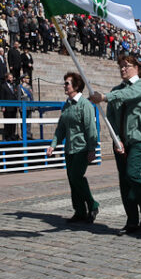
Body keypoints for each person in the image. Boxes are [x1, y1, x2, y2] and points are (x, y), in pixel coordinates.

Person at [89, 55, 141, 236]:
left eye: (126, 66)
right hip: (121, 142)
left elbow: (129, 95)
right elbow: (111, 120)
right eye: (121, 67)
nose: (123, 69)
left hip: (140, 138)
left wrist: (104, 97)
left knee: (133, 174)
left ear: (137, 68)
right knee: (124, 182)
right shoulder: (116, 90)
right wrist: (116, 140)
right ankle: (131, 221)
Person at [47, 72, 100, 223]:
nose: (64, 85)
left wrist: (92, 149)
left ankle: (92, 204)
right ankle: (80, 211)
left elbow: (91, 128)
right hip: (69, 148)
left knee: (77, 176)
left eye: (67, 83)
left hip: (82, 148)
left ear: (76, 86)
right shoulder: (67, 105)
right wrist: (53, 145)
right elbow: (61, 128)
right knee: (72, 179)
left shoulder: (85, 105)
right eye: (65, 83)